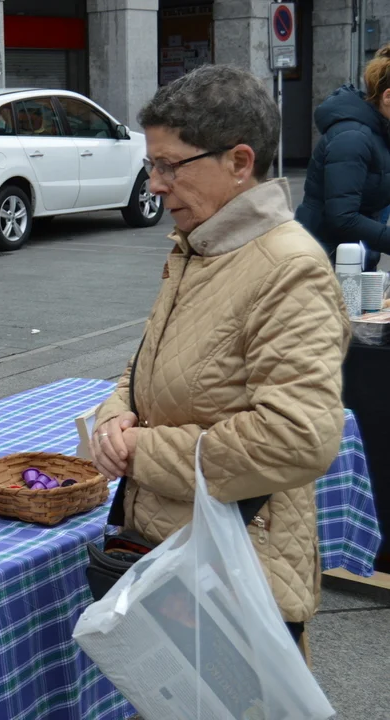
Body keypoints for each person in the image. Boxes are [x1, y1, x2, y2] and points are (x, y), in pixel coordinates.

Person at [91, 65, 350, 651]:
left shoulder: (289, 270)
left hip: (236, 573)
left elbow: (297, 437)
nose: (155, 185)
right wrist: (114, 416)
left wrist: (140, 451)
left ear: (239, 162)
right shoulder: (200, 245)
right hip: (175, 556)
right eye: (150, 165)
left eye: (169, 166)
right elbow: (149, 363)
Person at [296, 44, 390, 270]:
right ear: (388, 97)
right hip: (324, 260)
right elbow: (342, 217)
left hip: (352, 257)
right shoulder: (352, 138)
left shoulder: (380, 132)